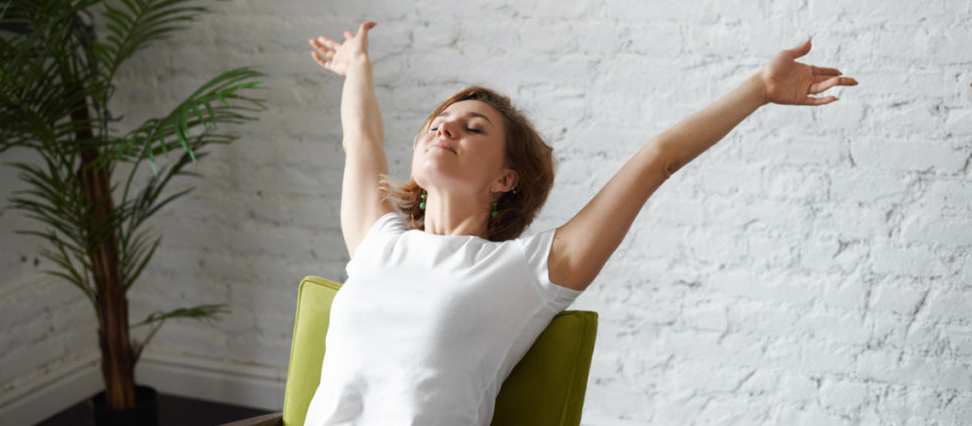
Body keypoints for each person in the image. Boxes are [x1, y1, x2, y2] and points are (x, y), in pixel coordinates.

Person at [302, 21, 857, 425]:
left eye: (472, 129)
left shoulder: (524, 272)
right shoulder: (378, 243)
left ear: (506, 180)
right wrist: (358, 67)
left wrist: (758, 90)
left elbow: (657, 158)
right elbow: (362, 140)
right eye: (438, 123)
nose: (444, 130)